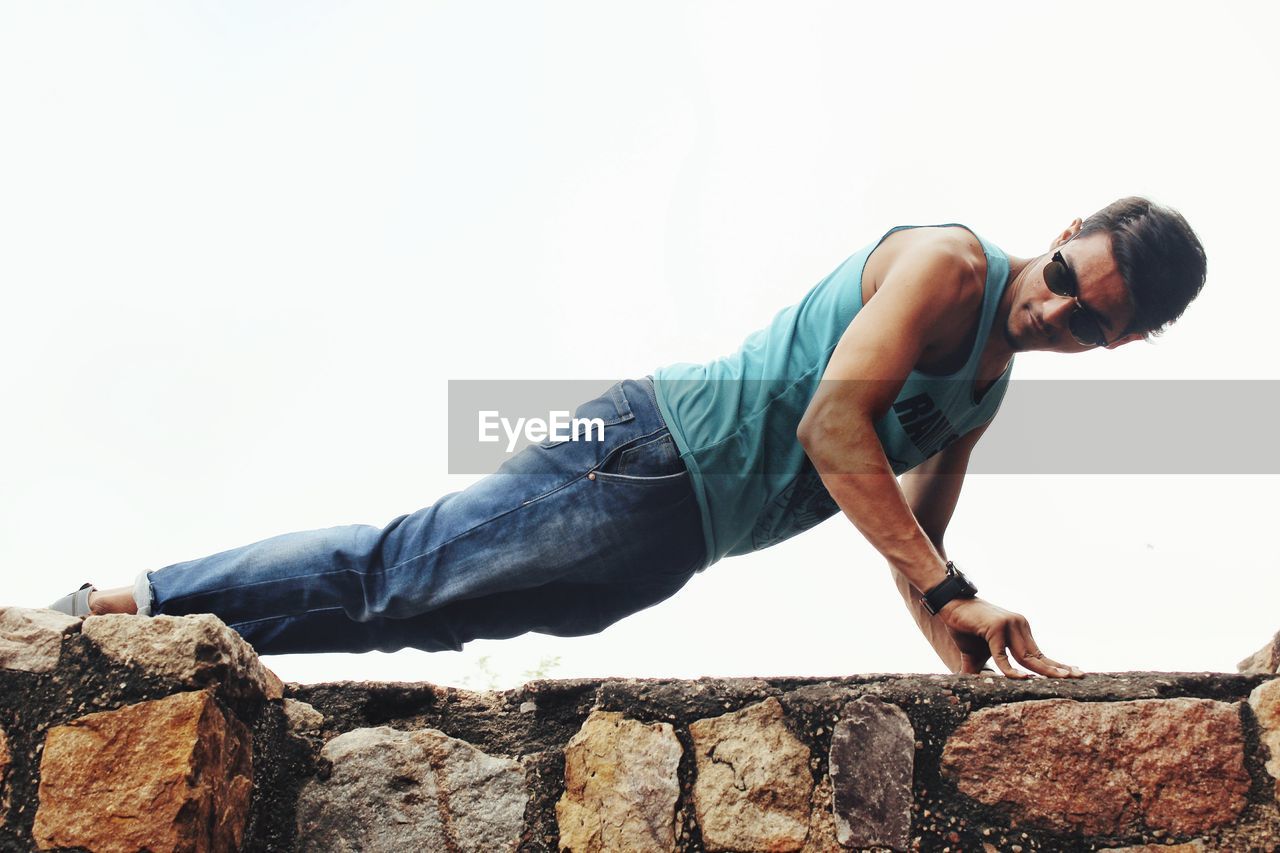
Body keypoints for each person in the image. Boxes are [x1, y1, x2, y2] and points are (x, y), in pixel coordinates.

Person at [50, 196, 1207, 679]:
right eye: (1063, 277)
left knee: (415, 616)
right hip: (642, 455)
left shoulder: (988, 390)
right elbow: (829, 423)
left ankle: (163, 641)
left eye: (1086, 321)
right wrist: (943, 581)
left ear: (1119, 343)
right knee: (394, 568)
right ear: (1061, 231)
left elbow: (913, 534)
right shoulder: (948, 266)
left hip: (670, 541)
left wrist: (958, 633)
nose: (1052, 309)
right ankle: (125, 601)